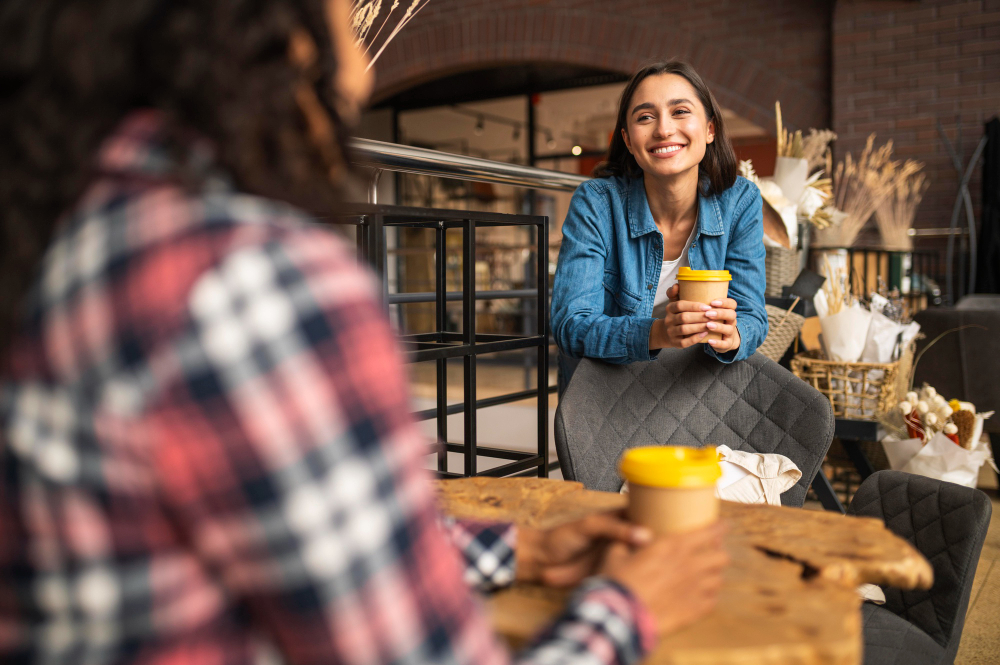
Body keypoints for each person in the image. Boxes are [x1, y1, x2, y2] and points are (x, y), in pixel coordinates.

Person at [0, 3, 727, 664]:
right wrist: (628, 611)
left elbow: (301, 535)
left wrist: (520, 548)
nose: (363, 61)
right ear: (268, 34)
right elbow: (571, 320)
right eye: (348, 20)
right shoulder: (256, 284)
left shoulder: (62, 235)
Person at [551, 61, 768, 386]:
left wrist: (732, 334)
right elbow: (571, 326)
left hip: (694, 392)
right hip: (605, 395)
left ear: (710, 129)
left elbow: (753, 316)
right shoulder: (597, 203)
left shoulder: (740, 200)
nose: (664, 129)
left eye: (680, 111)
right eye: (645, 117)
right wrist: (659, 332)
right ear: (627, 139)